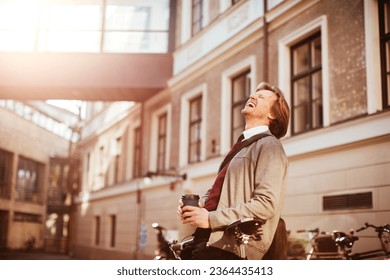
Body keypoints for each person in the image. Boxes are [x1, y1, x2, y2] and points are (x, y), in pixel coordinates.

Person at [178, 81, 290, 260]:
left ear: (272, 114)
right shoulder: (243, 146)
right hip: (211, 238)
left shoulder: (269, 146)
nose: (252, 96)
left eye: (261, 97)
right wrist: (200, 205)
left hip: (232, 247)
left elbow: (266, 203)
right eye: (254, 94)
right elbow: (223, 191)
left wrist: (210, 219)